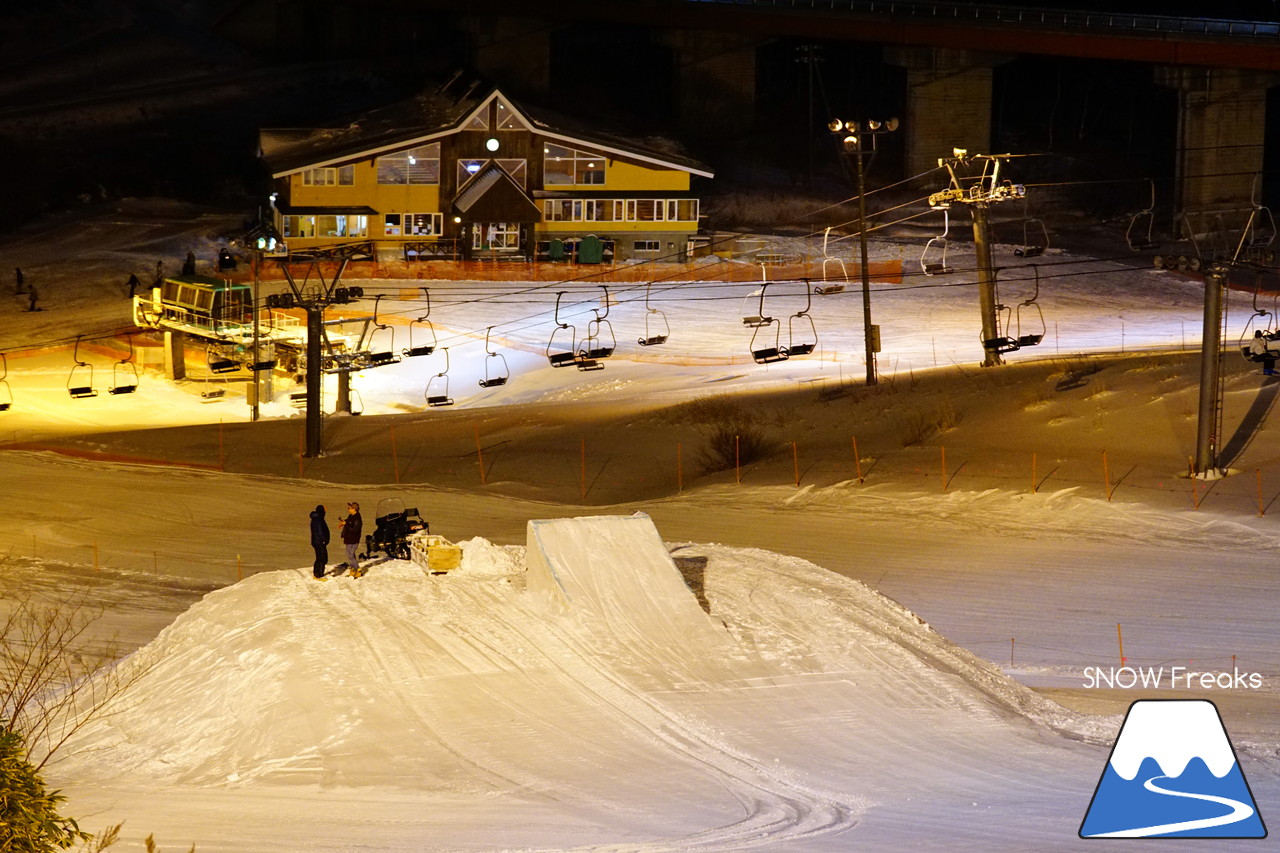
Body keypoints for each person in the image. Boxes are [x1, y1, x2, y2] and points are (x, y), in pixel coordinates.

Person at [339, 501, 363, 571]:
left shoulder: (357, 519)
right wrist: (344, 522)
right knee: (349, 555)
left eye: (349, 508)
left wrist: (345, 524)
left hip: (354, 540)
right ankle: (353, 568)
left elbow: (354, 530)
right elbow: (349, 522)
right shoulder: (351, 516)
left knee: (351, 555)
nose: (348, 509)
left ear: (354, 509)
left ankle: (357, 569)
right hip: (348, 539)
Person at [310, 504, 330, 579]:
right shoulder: (319, 519)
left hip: (316, 541)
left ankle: (317, 572)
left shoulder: (316, 518)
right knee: (322, 558)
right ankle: (319, 574)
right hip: (319, 542)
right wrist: (324, 540)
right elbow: (320, 531)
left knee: (319, 558)